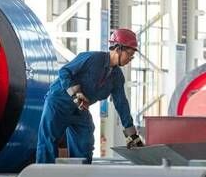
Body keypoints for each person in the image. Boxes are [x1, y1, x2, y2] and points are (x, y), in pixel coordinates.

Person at [36, 28, 144, 164]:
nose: (130, 59)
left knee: (85, 142)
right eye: (129, 54)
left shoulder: (117, 77)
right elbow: (64, 71)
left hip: (80, 109)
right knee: (48, 141)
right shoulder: (92, 58)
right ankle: (43, 174)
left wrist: (131, 134)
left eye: (132, 56)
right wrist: (76, 92)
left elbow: (121, 104)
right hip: (59, 103)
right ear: (118, 49)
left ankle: (80, 174)